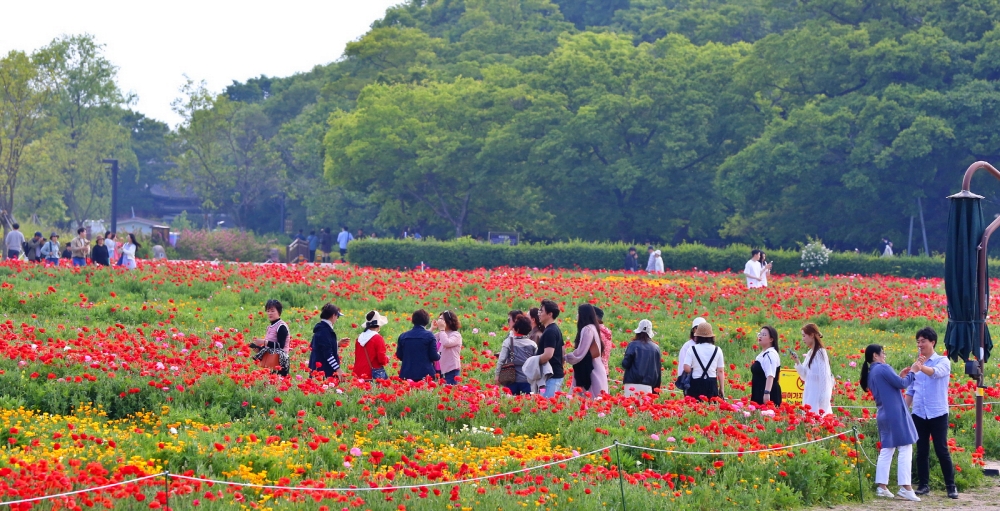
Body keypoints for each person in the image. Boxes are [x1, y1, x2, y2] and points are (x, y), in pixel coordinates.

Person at [859, 344, 920, 501]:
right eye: (883, 353)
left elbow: (894, 383)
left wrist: (900, 376)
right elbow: (902, 384)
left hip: (883, 413)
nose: (884, 356)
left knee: (887, 449)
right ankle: (906, 487)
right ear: (875, 355)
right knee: (906, 446)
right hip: (895, 413)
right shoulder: (883, 368)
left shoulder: (872, 372)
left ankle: (882, 486)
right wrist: (913, 371)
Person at [905, 327, 958, 499]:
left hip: (937, 412)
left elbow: (936, 374)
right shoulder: (917, 364)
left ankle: (951, 486)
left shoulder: (942, 361)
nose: (920, 345)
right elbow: (911, 389)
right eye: (918, 341)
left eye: (923, 341)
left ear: (932, 342)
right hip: (919, 412)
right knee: (921, 450)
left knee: (941, 449)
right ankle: (923, 485)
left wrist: (920, 367)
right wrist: (905, 409)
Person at [564, 303, 609, 398]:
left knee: (588, 401)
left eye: (578, 313)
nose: (577, 316)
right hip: (598, 369)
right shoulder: (594, 327)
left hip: (591, 371)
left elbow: (580, 352)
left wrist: (566, 357)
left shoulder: (587, 329)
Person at [790, 323, 833, 414]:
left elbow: (824, 377)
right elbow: (805, 375)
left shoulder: (820, 352)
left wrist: (823, 398)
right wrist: (797, 361)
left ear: (812, 335)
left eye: (804, 336)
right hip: (810, 394)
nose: (803, 339)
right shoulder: (810, 353)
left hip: (818, 396)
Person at [495, 314, 537, 395]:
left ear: (517, 329)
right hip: (528, 380)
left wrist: (497, 375)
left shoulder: (508, 342)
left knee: (510, 403)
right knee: (526, 404)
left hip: (511, 379)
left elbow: (501, 360)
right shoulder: (533, 344)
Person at [683, 322, 725, 401]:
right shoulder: (717, 350)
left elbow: (686, 368)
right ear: (711, 337)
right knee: (710, 408)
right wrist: (722, 388)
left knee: (695, 408)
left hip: (696, 383)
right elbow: (720, 371)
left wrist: (695, 369)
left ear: (697, 336)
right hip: (711, 383)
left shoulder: (692, 349)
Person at [396, 309, 440, 382]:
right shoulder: (429, 336)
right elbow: (434, 356)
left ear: (413, 320)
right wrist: (439, 355)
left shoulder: (403, 336)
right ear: (426, 322)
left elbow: (399, 355)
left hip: (407, 373)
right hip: (426, 374)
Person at [621, 319, 662, 396]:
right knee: (644, 407)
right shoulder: (656, 348)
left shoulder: (633, 345)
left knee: (630, 406)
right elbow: (658, 371)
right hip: (648, 386)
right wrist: (656, 390)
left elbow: (625, 364)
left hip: (631, 384)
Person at [251, 299, 291, 376]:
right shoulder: (270, 327)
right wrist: (258, 348)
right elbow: (270, 347)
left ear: (279, 312)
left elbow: (280, 346)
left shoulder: (281, 326)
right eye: (268, 311)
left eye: (272, 311)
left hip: (280, 361)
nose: (270, 313)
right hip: (270, 360)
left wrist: (264, 342)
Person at [535, 299, 565, 398]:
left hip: (551, 377)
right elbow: (562, 351)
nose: (539, 313)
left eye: (541, 311)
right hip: (551, 375)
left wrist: (533, 362)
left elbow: (548, 354)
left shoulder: (550, 331)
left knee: (545, 405)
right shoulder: (554, 329)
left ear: (549, 314)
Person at [307, 303, 344, 379]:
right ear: (334, 316)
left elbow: (320, 348)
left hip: (317, 371)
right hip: (323, 373)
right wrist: (338, 369)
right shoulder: (325, 331)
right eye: (337, 317)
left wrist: (336, 344)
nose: (337, 319)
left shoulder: (320, 329)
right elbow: (328, 354)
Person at [353, 310, 390, 380]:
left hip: (358, 373)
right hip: (371, 374)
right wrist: (387, 358)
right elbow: (381, 360)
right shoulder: (378, 338)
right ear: (378, 325)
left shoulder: (359, 338)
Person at [750, 326, 782, 406]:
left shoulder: (770, 354)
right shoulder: (764, 353)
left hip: (766, 393)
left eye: (764, 335)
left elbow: (770, 375)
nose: (760, 336)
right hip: (759, 391)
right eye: (760, 334)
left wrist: (767, 393)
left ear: (771, 339)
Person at [434, 310, 463, 385]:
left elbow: (446, 343)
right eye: (439, 319)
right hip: (437, 369)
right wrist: (431, 329)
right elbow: (427, 340)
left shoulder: (456, 335)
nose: (440, 322)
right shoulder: (439, 334)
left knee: (450, 391)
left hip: (450, 369)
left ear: (449, 321)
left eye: (442, 320)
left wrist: (442, 330)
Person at [594, 307, 613, 374]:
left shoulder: (597, 333)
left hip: (596, 370)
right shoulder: (605, 332)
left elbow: (593, 355)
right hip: (604, 369)